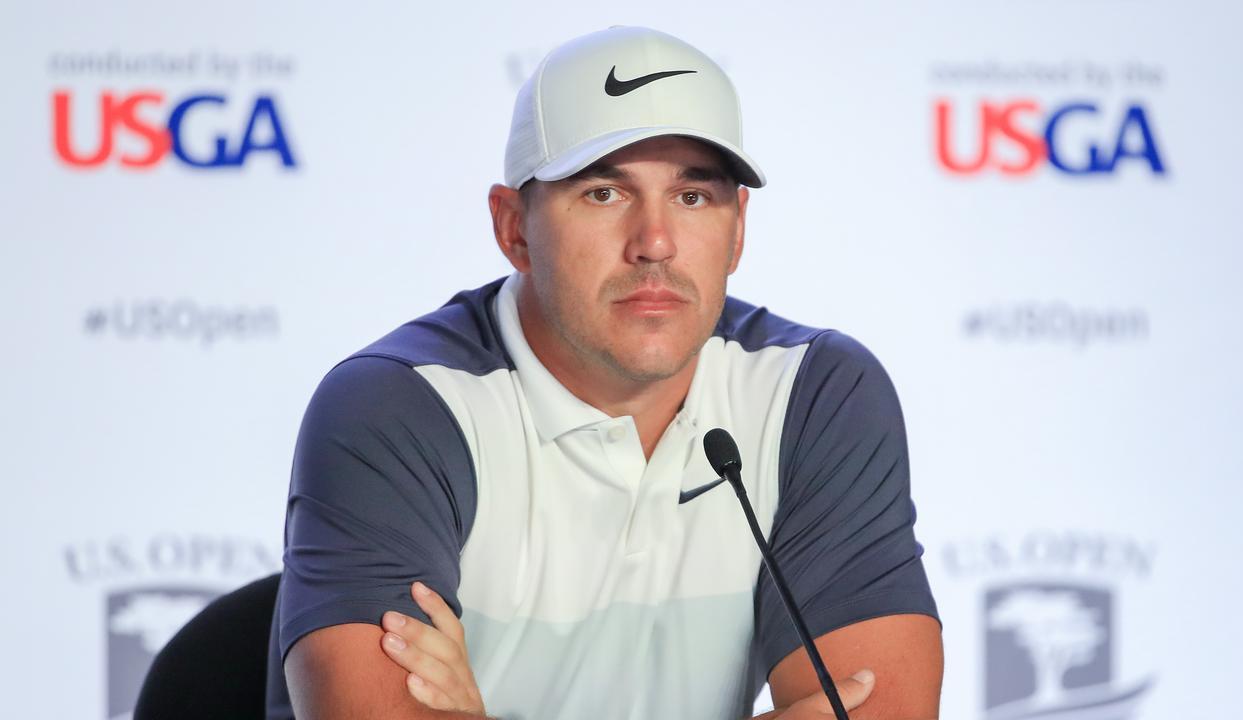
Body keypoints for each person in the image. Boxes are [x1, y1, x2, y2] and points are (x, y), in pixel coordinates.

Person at [267, 25, 943, 720]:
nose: (654, 242)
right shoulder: (398, 405)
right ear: (514, 229)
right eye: (603, 194)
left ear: (738, 228)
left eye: (692, 197)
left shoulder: (814, 393)